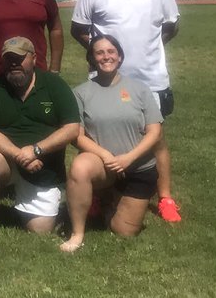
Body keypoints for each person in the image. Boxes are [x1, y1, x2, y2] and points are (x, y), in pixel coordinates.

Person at [71, 0, 183, 222]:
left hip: (150, 78)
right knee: (101, 137)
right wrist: (103, 55)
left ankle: (166, 198)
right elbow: (78, 28)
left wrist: (146, 49)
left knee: (156, 140)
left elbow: (170, 26)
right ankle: (99, 195)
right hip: (105, 82)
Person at [0, 37, 80, 242]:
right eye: (9, 59)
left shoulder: (54, 85)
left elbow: (72, 129)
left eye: (20, 58)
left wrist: (37, 149)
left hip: (42, 166)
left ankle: (16, 197)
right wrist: (20, 155)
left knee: (39, 230)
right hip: (6, 160)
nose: (14, 64)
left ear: (34, 59)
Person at [61, 34, 163, 252]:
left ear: (119, 56)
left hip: (138, 167)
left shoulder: (140, 89)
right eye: (99, 52)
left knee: (123, 231)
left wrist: (128, 158)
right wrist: (106, 156)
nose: (106, 56)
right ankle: (78, 233)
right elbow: (76, 135)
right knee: (79, 166)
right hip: (104, 165)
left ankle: (109, 203)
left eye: (111, 51)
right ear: (91, 58)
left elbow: (155, 132)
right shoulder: (80, 93)